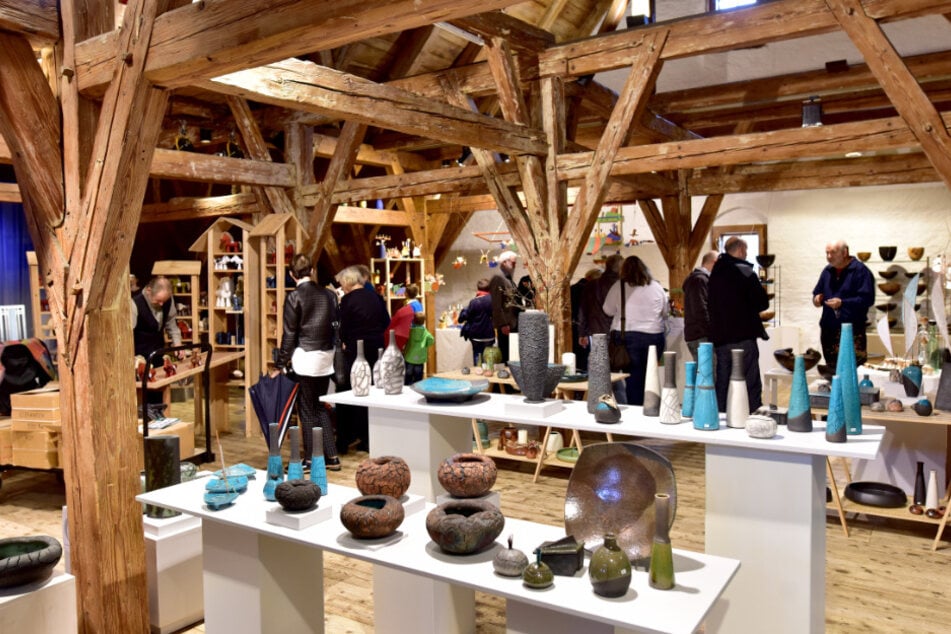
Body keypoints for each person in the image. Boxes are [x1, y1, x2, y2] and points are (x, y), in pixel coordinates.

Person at [270, 254, 341, 470]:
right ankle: (332, 457)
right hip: (327, 357)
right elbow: (336, 326)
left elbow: (289, 335)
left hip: (305, 358)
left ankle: (310, 460)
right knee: (319, 407)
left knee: (307, 410)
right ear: (311, 271)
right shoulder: (329, 294)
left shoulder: (294, 297)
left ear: (292, 275)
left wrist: (280, 364)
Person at [708, 237, 770, 413]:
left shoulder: (716, 271)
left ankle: (720, 420)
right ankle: (752, 418)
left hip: (720, 339)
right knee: (749, 382)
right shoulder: (744, 270)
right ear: (741, 250)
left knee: (723, 383)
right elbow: (762, 303)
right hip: (742, 336)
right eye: (746, 250)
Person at [335, 265, 390, 453]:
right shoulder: (376, 297)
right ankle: (369, 437)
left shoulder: (347, 301)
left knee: (350, 391)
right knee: (372, 389)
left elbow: (342, 328)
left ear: (348, 282)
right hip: (376, 348)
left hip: (355, 350)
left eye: (342, 284)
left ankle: (346, 437)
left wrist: (344, 340)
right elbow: (386, 322)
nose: (341, 287)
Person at [602, 256, 669, 405]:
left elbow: (607, 310)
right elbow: (665, 312)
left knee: (633, 379)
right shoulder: (657, 287)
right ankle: (651, 407)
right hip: (654, 335)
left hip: (628, 336)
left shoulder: (619, 286)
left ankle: (636, 410)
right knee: (650, 375)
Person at [812, 239, 875, 368]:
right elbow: (817, 293)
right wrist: (817, 299)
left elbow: (867, 299)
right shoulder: (827, 271)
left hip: (852, 331)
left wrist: (843, 303)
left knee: (852, 371)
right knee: (832, 371)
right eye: (827, 253)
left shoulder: (860, 271)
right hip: (829, 330)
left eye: (833, 253)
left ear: (845, 252)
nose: (829, 257)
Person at [131, 275, 184, 420]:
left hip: (158, 352)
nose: (162, 304)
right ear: (149, 291)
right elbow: (127, 334)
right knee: (144, 398)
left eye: (164, 300)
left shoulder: (167, 301)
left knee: (159, 394)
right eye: (158, 300)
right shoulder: (134, 304)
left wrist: (177, 344)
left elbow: (172, 324)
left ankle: (160, 425)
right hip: (139, 356)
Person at [682, 250, 719, 360]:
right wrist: (713, 331)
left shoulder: (701, 279)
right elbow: (700, 310)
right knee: (707, 374)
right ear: (715, 263)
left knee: (707, 374)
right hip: (701, 337)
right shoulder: (699, 280)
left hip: (701, 335)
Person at [488, 251, 522, 363]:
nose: (514, 266)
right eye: (513, 263)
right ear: (504, 262)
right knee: (506, 354)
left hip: (513, 323)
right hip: (506, 324)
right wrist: (503, 324)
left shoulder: (509, 280)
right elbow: (496, 304)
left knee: (512, 354)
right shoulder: (498, 278)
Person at [457, 278, 495, 365]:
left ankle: (478, 373)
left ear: (478, 288)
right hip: (489, 333)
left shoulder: (474, 302)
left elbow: (466, 316)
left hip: (476, 334)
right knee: (488, 356)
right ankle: (488, 373)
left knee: (477, 355)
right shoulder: (493, 300)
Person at [570, 269, 601, 373]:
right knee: (582, 360)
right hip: (580, 329)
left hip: (570, 327)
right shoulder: (587, 290)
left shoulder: (572, 288)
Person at [404, 312, 434, 384]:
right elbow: (432, 340)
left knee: (408, 375)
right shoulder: (425, 332)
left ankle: (407, 388)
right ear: (423, 322)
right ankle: (417, 390)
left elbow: (405, 339)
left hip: (409, 357)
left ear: (413, 320)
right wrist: (426, 344)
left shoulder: (410, 331)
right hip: (420, 358)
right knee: (418, 377)